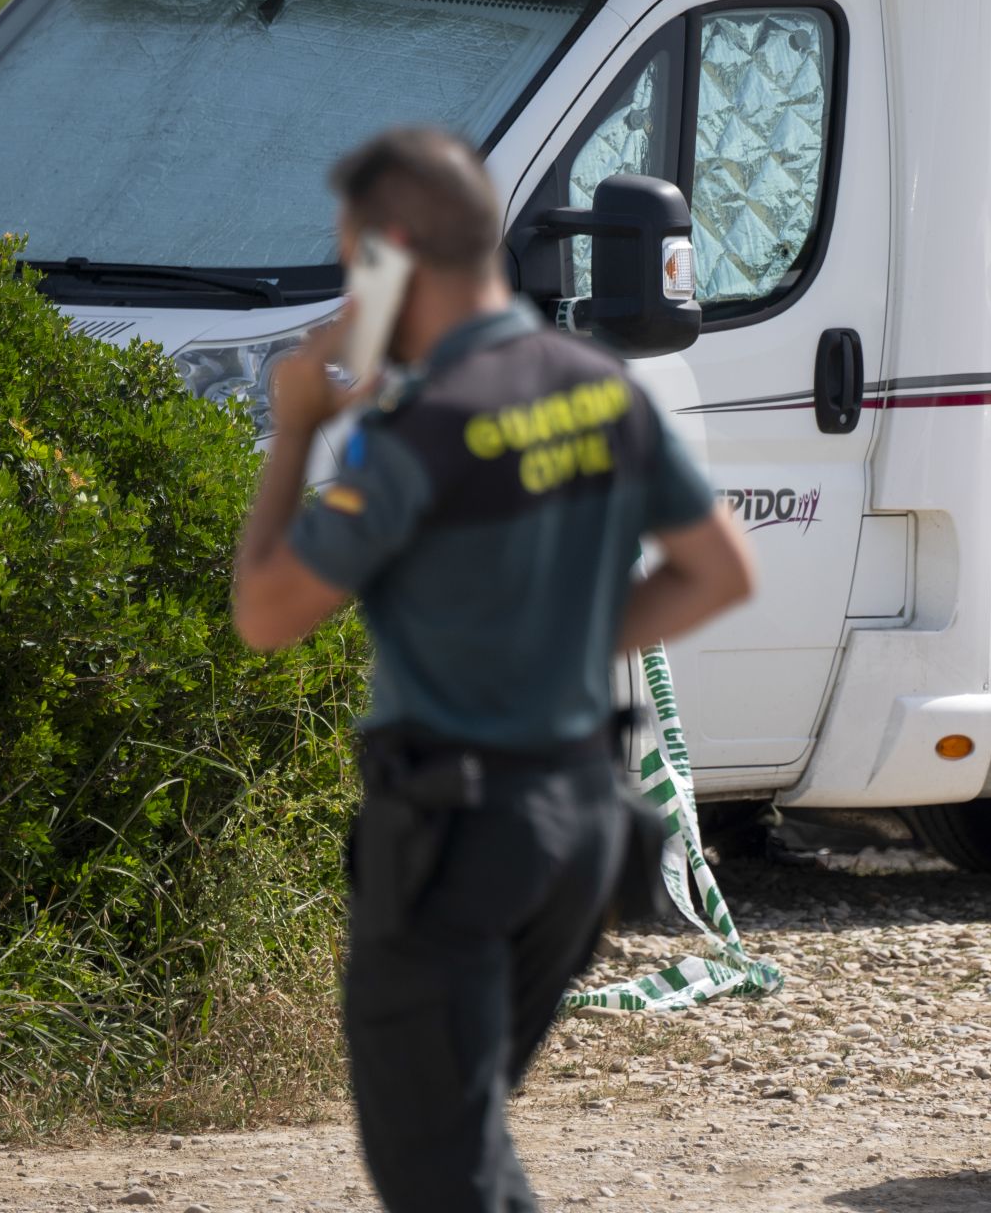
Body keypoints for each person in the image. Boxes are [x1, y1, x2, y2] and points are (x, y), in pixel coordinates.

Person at [233, 127, 756, 1213]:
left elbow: (267, 612)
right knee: (464, 1140)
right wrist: (557, 644)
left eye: (351, 262)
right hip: (581, 831)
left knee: (445, 1179)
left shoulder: (418, 432)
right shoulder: (598, 387)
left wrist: (294, 431)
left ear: (391, 255)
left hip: (456, 841)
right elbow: (716, 573)